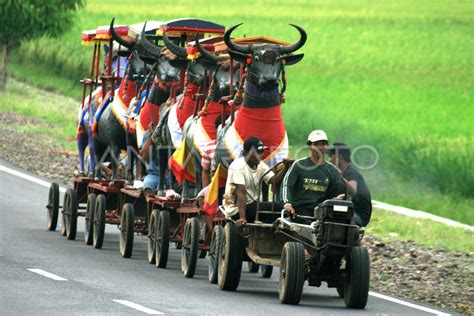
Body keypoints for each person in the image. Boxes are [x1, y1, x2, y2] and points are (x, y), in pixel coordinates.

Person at [223, 136, 287, 227]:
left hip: (253, 207)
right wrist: (242, 218)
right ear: (246, 153)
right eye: (256, 152)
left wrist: (286, 167)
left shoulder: (260, 165)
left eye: (261, 152)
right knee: (279, 207)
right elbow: (241, 194)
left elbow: (274, 181)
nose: (259, 156)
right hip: (236, 209)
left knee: (279, 212)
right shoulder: (237, 167)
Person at [282, 130, 344, 218]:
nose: (321, 147)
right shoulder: (299, 165)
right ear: (310, 146)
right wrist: (287, 204)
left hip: (323, 210)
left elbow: (339, 192)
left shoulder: (332, 170)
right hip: (299, 207)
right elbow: (287, 185)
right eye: (317, 144)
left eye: (323, 144)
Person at [328, 142, 372, 227]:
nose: (329, 160)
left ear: (339, 157)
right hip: (348, 211)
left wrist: (339, 176)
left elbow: (353, 190)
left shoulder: (351, 173)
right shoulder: (344, 173)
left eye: (331, 156)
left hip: (357, 215)